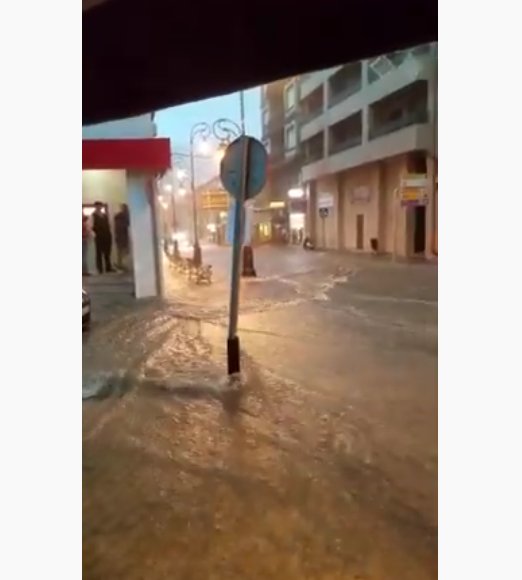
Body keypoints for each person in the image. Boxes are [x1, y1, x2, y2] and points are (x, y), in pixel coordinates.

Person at [91, 201, 114, 273]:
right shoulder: (93, 215)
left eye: (100, 206)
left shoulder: (104, 215)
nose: (99, 207)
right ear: (95, 207)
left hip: (107, 235)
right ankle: (100, 268)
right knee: (99, 252)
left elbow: (109, 225)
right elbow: (91, 226)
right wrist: (94, 235)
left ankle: (108, 267)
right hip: (99, 236)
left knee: (107, 252)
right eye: (98, 206)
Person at [114, 203, 130, 271]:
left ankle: (121, 263)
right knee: (122, 250)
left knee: (122, 250)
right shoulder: (122, 217)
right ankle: (121, 264)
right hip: (122, 236)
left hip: (123, 235)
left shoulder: (123, 217)